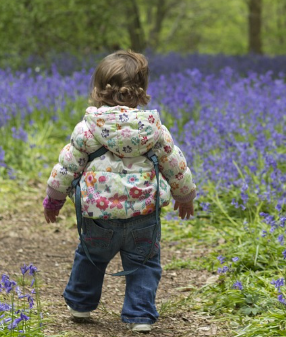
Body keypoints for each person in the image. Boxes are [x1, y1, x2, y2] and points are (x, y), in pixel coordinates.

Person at [42, 50, 196, 333]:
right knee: (145, 264)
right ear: (142, 91)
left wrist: (54, 199)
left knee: (90, 256)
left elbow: (67, 166)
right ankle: (140, 315)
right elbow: (175, 164)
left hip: (98, 216)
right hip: (143, 216)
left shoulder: (88, 129)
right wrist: (184, 196)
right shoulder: (154, 130)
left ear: (98, 91)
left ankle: (80, 303)